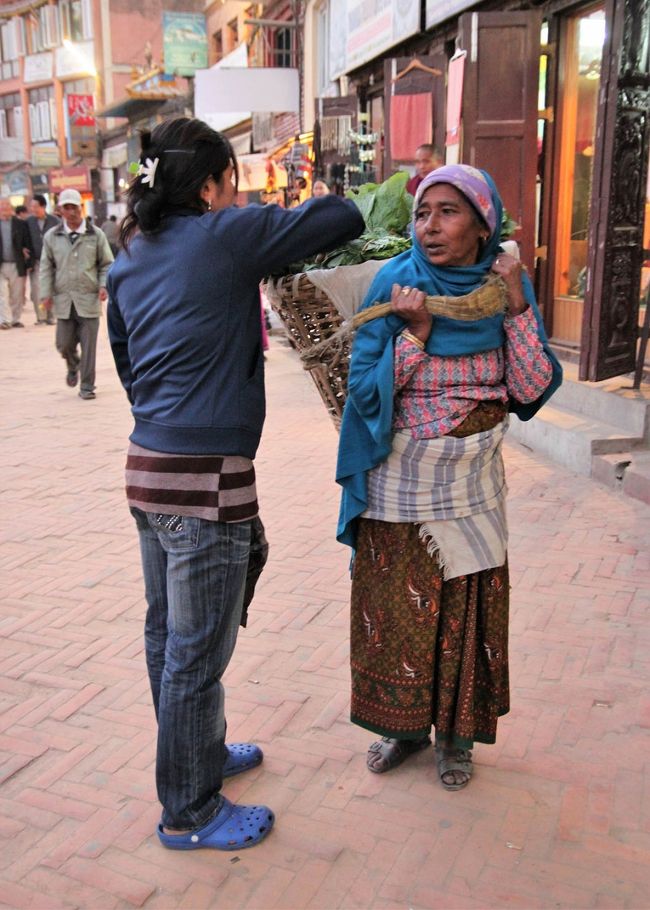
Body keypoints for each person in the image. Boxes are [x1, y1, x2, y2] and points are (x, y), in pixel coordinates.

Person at [106, 116, 364, 851]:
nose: (238, 194)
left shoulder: (131, 255)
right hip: (205, 481)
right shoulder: (226, 235)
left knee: (168, 636)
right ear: (213, 184)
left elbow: (127, 366)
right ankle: (189, 809)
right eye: (234, 182)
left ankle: (201, 753)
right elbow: (341, 215)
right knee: (195, 648)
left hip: (148, 471)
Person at [336, 165, 562, 791]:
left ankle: (456, 740)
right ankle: (402, 729)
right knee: (397, 610)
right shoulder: (396, 283)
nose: (429, 225)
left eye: (448, 212)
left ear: (484, 224)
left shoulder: (503, 288)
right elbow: (361, 389)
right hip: (400, 483)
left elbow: (531, 388)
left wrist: (518, 308)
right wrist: (418, 337)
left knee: (466, 610)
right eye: (422, 212)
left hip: (472, 485)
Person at [39, 188, 114, 399]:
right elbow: (46, 267)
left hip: (88, 298)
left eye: (75, 207)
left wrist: (103, 285)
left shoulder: (95, 235)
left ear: (80, 208)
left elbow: (107, 264)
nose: (71, 212)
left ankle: (87, 386)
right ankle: (73, 365)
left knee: (89, 347)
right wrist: (45, 294)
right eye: (67, 208)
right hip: (63, 300)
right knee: (63, 343)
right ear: (60, 210)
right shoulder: (51, 237)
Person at [0, 197, 34, 329]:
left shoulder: (20, 224)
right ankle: (4, 320)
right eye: (2, 206)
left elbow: (28, 243)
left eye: (7, 206)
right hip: (1, 264)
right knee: (2, 293)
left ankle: (15, 319)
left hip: (17, 263)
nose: (4, 208)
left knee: (16, 294)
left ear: (11, 208)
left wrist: (29, 262)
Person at [27, 194, 59, 325]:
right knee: (36, 290)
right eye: (32, 207)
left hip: (53, 261)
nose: (33, 209)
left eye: (35, 206)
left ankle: (52, 316)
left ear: (43, 206)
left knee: (53, 288)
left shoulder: (55, 221)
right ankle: (41, 317)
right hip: (36, 261)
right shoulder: (28, 222)